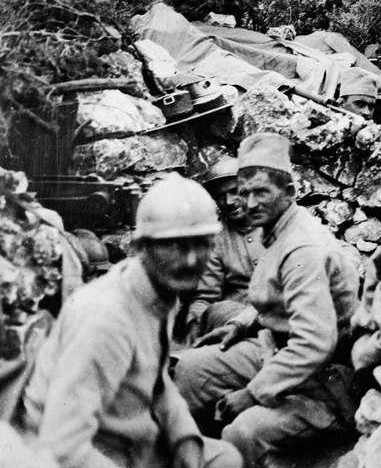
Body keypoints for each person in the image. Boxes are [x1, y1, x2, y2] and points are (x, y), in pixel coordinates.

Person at [20, 173, 243, 468]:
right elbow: (63, 447)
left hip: (130, 441)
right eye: (174, 245)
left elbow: (158, 382)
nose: (191, 259)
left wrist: (185, 440)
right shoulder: (106, 319)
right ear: (140, 248)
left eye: (201, 243)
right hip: (77, 454)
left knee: (224, 458)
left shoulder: (160, 291)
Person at [174, 133, 360, 468]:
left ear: (289, 193)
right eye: (244, 193)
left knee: (242, 431)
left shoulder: (302, 247)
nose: (249, 203)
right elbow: (279, 301)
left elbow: (316, 341)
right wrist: (241, 322)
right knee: (190, 370)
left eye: (262, 192)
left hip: (325, 381)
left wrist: (252, 394)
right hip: (279, 350)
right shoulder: (274, 231)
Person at [184, 157, 270, 343]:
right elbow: (206, 296)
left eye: (235, 191)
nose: (229, 201)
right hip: (234, 321)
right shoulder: (216, 237)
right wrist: (195, 321)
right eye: (220, 196)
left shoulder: (275, 222)